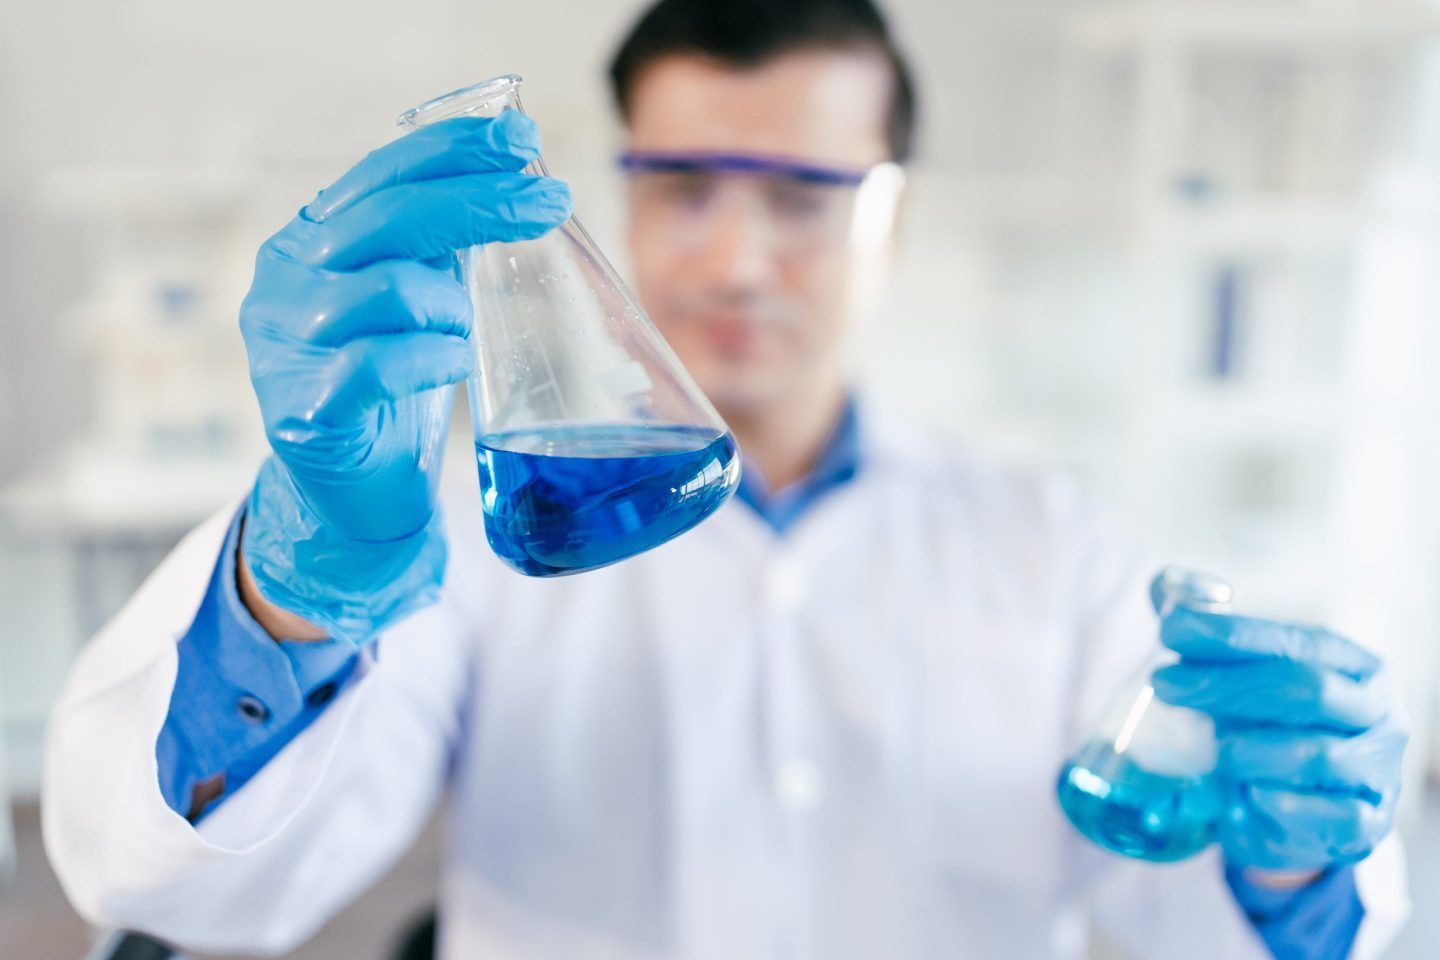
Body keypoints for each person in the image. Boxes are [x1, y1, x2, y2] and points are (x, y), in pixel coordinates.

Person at [43, 1, 1409, 958]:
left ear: (898, 216)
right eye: (686, 183)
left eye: (805, 195)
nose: (738, 260)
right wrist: (295, 596)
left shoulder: (1048, 540)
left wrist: (1286, 853)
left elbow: (1190, 912)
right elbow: (214, 891)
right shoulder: (465, 524)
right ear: (618, 184)